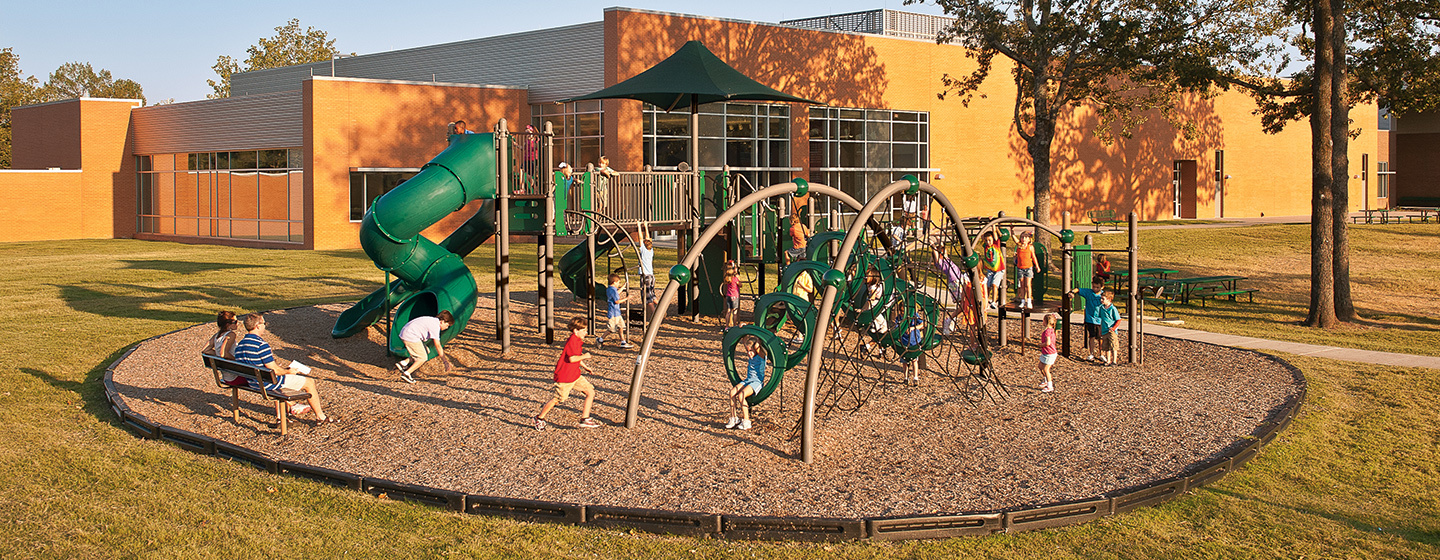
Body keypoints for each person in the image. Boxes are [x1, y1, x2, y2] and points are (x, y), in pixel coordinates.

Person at [234, 313, 335, 424]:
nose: (265, 326)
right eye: (264, 323)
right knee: (309, 382)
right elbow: (275, 370)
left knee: (276, 376)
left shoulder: (240, 346)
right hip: (267, 384)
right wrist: (289, 371)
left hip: (253, 382)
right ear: (258, 326)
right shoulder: (261, 345)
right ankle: (321, 417)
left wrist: (281, 370)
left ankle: (280, 417)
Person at [534, 317, 602, 430]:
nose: (586, 332)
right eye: (584, 330)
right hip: (565, 377)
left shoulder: (577, 341)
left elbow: (576, 357)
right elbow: (572, 358)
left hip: (575, 375)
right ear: (576, 331)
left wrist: (586, 367)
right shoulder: (572, 341)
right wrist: (585, 356)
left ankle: (585, 418)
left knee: (590, 392)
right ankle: (539, 418)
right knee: (558, 399)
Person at [394, 311, 455, 384]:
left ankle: (403, 363)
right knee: (422, 358)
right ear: (442, 321)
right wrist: (445, 361)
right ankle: (407, 374)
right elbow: (438, 345)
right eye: (447, 325)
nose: (446, 327)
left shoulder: (432, 320)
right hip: (410, 336)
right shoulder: (435, 326)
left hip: (406, 332)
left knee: (426, 350)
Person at [726, 337, 766, 430]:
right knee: (732, 393)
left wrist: (758, 333)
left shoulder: (761, 356)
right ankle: (734, 418)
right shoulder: (751, 353)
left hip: (757, 381)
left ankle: (746, 421)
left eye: (751, 351)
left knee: (741, 395)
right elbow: (744, 339)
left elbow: (757, 345)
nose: (749, 353)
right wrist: (742, 326)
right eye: (747, 351)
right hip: (748, 380)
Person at [203, 310, 247, 387]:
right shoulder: (231, 335)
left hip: (227, 377)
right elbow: (223, 354)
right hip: (236, 377)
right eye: (235, 322)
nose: (237, 323)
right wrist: (237, 361)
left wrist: (216, 354)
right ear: (228, 324)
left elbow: (205, 350)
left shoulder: (217, 336)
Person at [1070, 276, 1108, 361]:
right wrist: (1072, 292)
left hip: (1100, 319)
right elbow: (1078, 289)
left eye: (1097, 287)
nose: (1095, 289)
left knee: (1100, 337)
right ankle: (1091, 353)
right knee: (1091, 336)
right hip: (1090, 319)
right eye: (1094, 287)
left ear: (1102, 287)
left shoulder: (1103, 295)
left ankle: (1102, 353)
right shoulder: (1089, 292)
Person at [598, 273, 632, 349]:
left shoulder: (610, 289)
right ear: (614, 282)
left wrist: (623, 286)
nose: (618, 284)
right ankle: (600, 339)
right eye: (618, 282)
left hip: (617, 313)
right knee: (611, 329)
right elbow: (617, 301)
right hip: (613, 313)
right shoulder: (612, 290)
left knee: (621, 327)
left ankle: (623, 341)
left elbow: (617, 293)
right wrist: (627, 298)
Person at [636, 222, 659, 315]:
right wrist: (645, 226)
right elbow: (647, 238)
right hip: (652, 276)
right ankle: (661, 309)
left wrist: (638, 226)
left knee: (647, 297)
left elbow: (641, 238)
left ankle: (654, 314)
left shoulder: (643, 250)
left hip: (645, 276)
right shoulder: (651, 250)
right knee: (652, 295)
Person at [981, 230, 1006, 309]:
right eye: (986, 240)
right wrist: (983, 225)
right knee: (987, 286)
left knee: (994, 285)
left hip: (999, 269)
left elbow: (995, 234)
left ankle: (994, 301)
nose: (988, 242)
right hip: (990, 270)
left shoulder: (995, 245)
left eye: (989, 240)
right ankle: (986, 301)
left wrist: (993, 225)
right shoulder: (985, 246)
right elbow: (981, 236)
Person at [899, 309, 925, 385]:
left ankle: (915, 378)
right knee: (905, 361)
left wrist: (913, 328)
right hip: (904, 341)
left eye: (904, 311)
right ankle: (905, 378)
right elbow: (897, 327)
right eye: (902, 312)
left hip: (914, 341)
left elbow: (922, 324)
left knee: (914, 360)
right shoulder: (899, 318)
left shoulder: (914, 315)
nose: (903, 313)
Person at [1013, 232, 1038, 309]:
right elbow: (1014, 238)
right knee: (1022, 285)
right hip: (1020, 268)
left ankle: (1029, 301)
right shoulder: (1019, 246)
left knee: (1028, 285)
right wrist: (1012, 231)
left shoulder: (1030, 247)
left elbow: (1033, 257)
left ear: (1029, 239)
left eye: (1026, 238)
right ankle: (1023, 300)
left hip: (1028, 268)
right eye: (1022, 237)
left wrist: (1037, 266)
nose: (1024, 239)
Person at [1098, 291, 1122, 365]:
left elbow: (1118, 319)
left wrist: (1114, 328)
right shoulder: (1101, 308)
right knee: (1106, 346)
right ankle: (1108, 360)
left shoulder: (1113, 309)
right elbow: (1101, 319)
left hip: (1111, 330)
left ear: (1109, 299)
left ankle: (1114, 361)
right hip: (1104, 330)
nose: (1101, 300)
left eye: (1103, 299)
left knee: (1113, 346)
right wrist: (1100, 329)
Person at [1038, 313, 1059, 392]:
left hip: (1049, 353)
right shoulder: (1051, 330)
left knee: (1046, 369)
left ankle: (1050, 386)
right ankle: (1046, 379)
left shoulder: (1047, 332)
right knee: (1040, 366)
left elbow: (1048, 343)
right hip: (1046, 353)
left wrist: (1041, 345)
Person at [722, 260, 741, 331]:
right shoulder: (735, 278)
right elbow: (740, 285)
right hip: (735, 296)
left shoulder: (727, 278)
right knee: (735, 312)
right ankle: (734, 325)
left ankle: (726, 326)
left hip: (728, 295)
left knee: (728, 311)